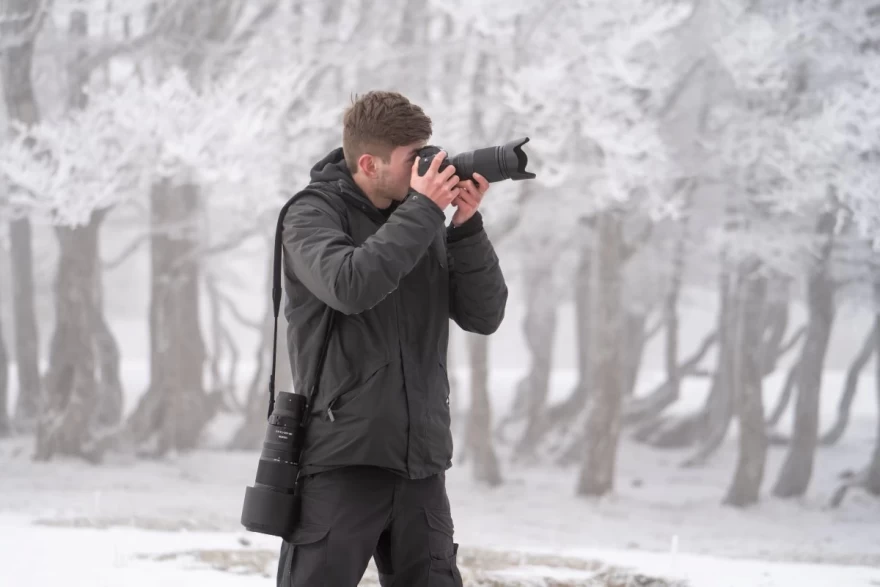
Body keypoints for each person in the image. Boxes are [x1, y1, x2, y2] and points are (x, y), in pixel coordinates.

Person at [275, 90, 508, 586]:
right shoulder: (311, 216)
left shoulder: (415, 217)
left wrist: (464, 227)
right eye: (412, 159)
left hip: (419, 462)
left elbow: (484, 316)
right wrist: (424, 211)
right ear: (369, 162)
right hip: (344, 457)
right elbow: (350, 285)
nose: (427, 167)